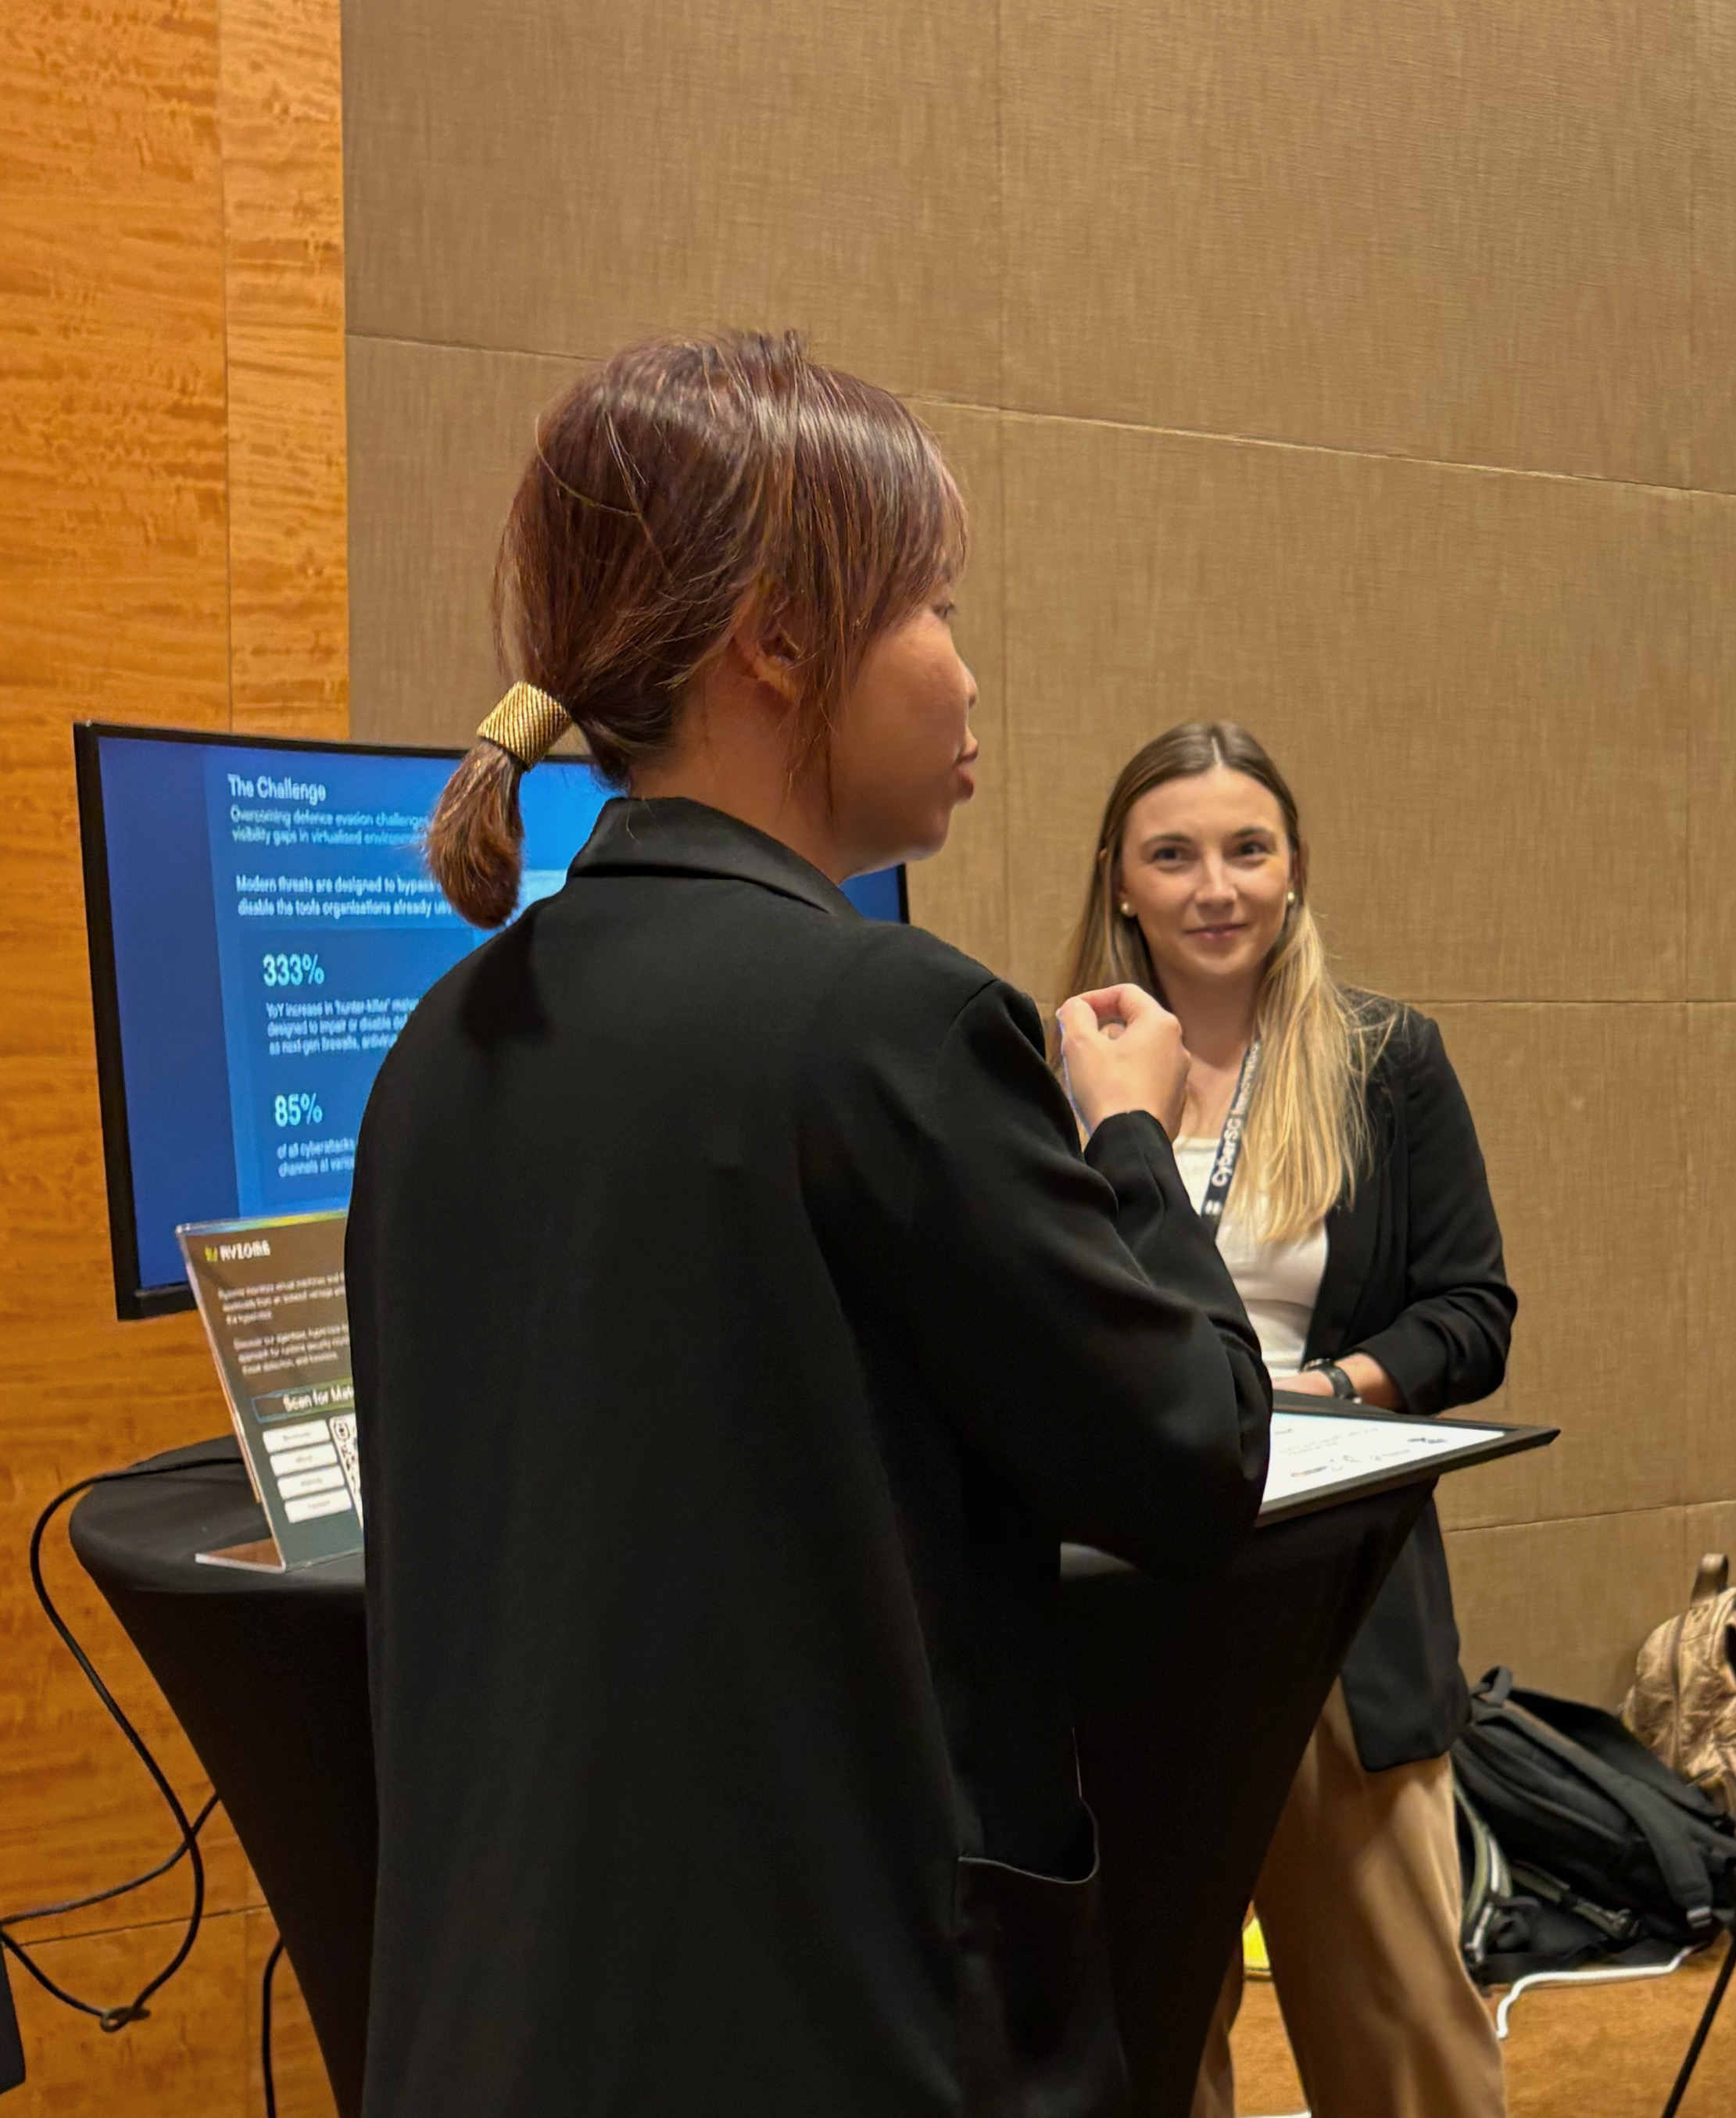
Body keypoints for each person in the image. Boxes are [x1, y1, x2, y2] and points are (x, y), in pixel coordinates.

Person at [350, 333, 1272, 2118]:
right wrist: (1136, 1142)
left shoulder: (440, 1050)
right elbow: (1192, 1458)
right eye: (931, 605)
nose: (967, 667)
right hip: (849, 2042)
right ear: (777, 639)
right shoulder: (884, 1021)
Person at [1057, 724, 1515, 2118]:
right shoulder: (1058, 1068)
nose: (1216, 887)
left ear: (1295, 868)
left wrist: (1325, 1394)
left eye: (1248, 849)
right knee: (1145, 2040)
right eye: (1174, 854)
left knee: (1402, 2039)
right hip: (1127, 1602)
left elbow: (1472, 1314)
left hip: (1333, 1597)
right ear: (1120, 883)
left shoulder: (1385, 1059)